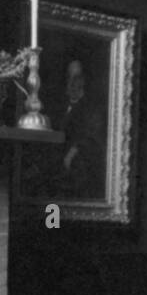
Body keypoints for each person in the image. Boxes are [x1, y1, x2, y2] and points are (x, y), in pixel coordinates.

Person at [58, 58, 106, 196]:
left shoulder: (93, 108)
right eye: (69, 77)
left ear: (84, 80)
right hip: (58, 168)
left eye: (77, 77)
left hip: (81, 169)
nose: (72, 82)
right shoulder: (58, 106)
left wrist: (72, 153)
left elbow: (93, 138)